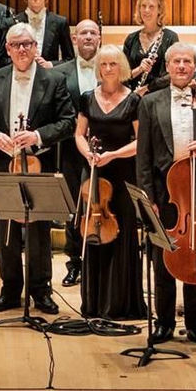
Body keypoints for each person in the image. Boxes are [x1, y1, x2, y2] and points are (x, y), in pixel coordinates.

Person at [0, 24, 76, 314]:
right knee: (6, 227)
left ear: (36, 47)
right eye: (16, 44)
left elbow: (68, 121)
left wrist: (37, 136)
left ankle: (41, 290)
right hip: (2, 164)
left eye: (28, 44)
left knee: (39, 229)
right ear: (7, 49)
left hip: (39, 162)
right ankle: (10, 290)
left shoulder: (54, 79)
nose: (22, 49)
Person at [136, 44, 196, 341]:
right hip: (166, 190)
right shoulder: (150, 103)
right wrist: (148, 196)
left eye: (188, 61)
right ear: (167, 65)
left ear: (195, 66)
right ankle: (164, 322)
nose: (182, 66)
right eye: (176, 61)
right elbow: (144, 154)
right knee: (164, 257)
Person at [73, 45, 142, 319]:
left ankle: (120, 304)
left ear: (122, 67)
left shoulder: (134, 100)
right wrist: (87, 152)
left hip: (122, 174)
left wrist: (113, 154)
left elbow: (140, 141)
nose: (108, 69)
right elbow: (79, 134)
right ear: (98, 68)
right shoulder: (87, 98)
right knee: (94, 235)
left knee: (121, 234)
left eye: (113, 64)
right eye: (104, 64)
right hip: (94, 175)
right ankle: (94, 303)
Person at [52, 19, 102, 287]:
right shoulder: (60, 72)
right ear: (74, 39)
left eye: (93, 33)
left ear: (100, 39)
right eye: (83, 33)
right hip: (72, 149)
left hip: (105, 147)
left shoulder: (111, 67)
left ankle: (99, 261)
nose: (88, 37)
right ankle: (74, 262)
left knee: (101, 204)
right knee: (74, 206)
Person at [123, 0, 178, 94]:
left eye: (151, 7)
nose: (146, 10)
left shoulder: (170, 37)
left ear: (159, 10)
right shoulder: (131, 39)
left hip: (159, 97)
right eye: (143, 6)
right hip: (133, 96)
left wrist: (147, 88)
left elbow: (172, 73)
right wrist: (139, 69)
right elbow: (122, 75)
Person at [13, 0, 73, 68]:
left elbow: (70, 59)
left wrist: (51, 64)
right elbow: (3, 59)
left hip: (48, 78)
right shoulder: (13, 22)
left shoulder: (60, 22)